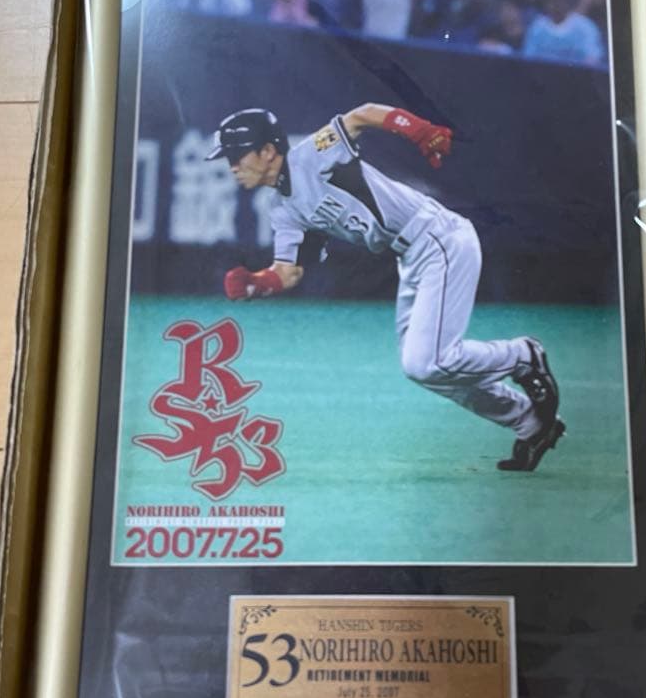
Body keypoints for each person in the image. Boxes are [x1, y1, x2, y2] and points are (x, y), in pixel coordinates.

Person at [204, 105, 566, 472]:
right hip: (410, 256)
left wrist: (420, 130)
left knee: (430, 361)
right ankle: (530, 423)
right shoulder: (282, 208)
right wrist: (256, 284)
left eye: (236, 155)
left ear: (267, 151)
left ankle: (523, 356)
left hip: (439, 238)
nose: (231, 166)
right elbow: (289, 272)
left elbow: (361, 116)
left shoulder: (310, 156)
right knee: (421, 367)